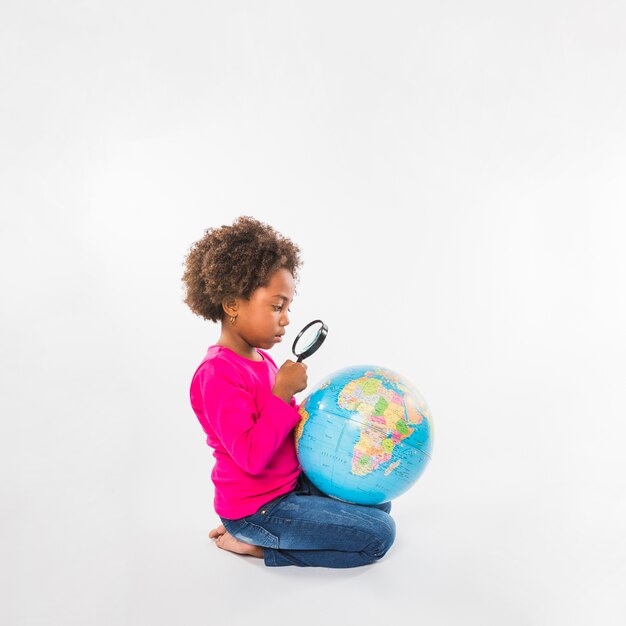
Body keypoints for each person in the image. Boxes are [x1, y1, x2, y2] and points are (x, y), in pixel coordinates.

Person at [181, 215, 395, 567]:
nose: (286, 319)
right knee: (379, 535)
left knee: (377, 500)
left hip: (288, 486)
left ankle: (270, 534)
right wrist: (281, 394)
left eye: (288, 308)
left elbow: (283, 432)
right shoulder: (216, 374)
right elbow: (251, 457)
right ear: (232, 304)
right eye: (277, 306)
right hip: (257, 508)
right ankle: (255, 545)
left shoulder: (263, 359)